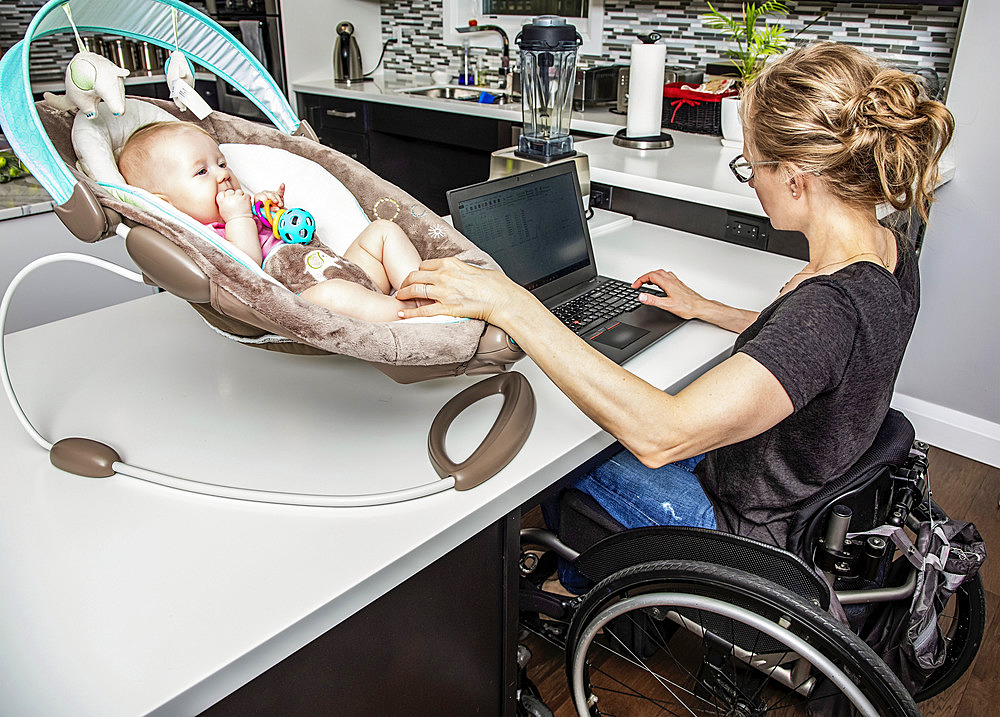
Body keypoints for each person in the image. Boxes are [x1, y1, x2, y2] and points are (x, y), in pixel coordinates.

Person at [395, 42, 955, 561]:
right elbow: (819, 354)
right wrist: (706, 308)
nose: (752, 182)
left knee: (553, 450)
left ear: (796, 177)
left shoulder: (827, 308)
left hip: (740, 524)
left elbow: (663, 434)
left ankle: (565, 588)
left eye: (753, 165)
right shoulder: (888, 252)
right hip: (785, 482)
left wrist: (512, 304)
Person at [117, 121, 425, 322]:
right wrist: (237, 217)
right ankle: (413, 313)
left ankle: (422, 290)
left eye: (221, 163)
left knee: (382, 231)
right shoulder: (206, 236)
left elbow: (297, 234)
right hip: (308, 298)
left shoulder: (245, 205)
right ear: (165, 203)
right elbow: (246, 267)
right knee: (333, 296)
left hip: (342, 269)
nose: (223, 173)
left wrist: (272, 210)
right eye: (202, 172)